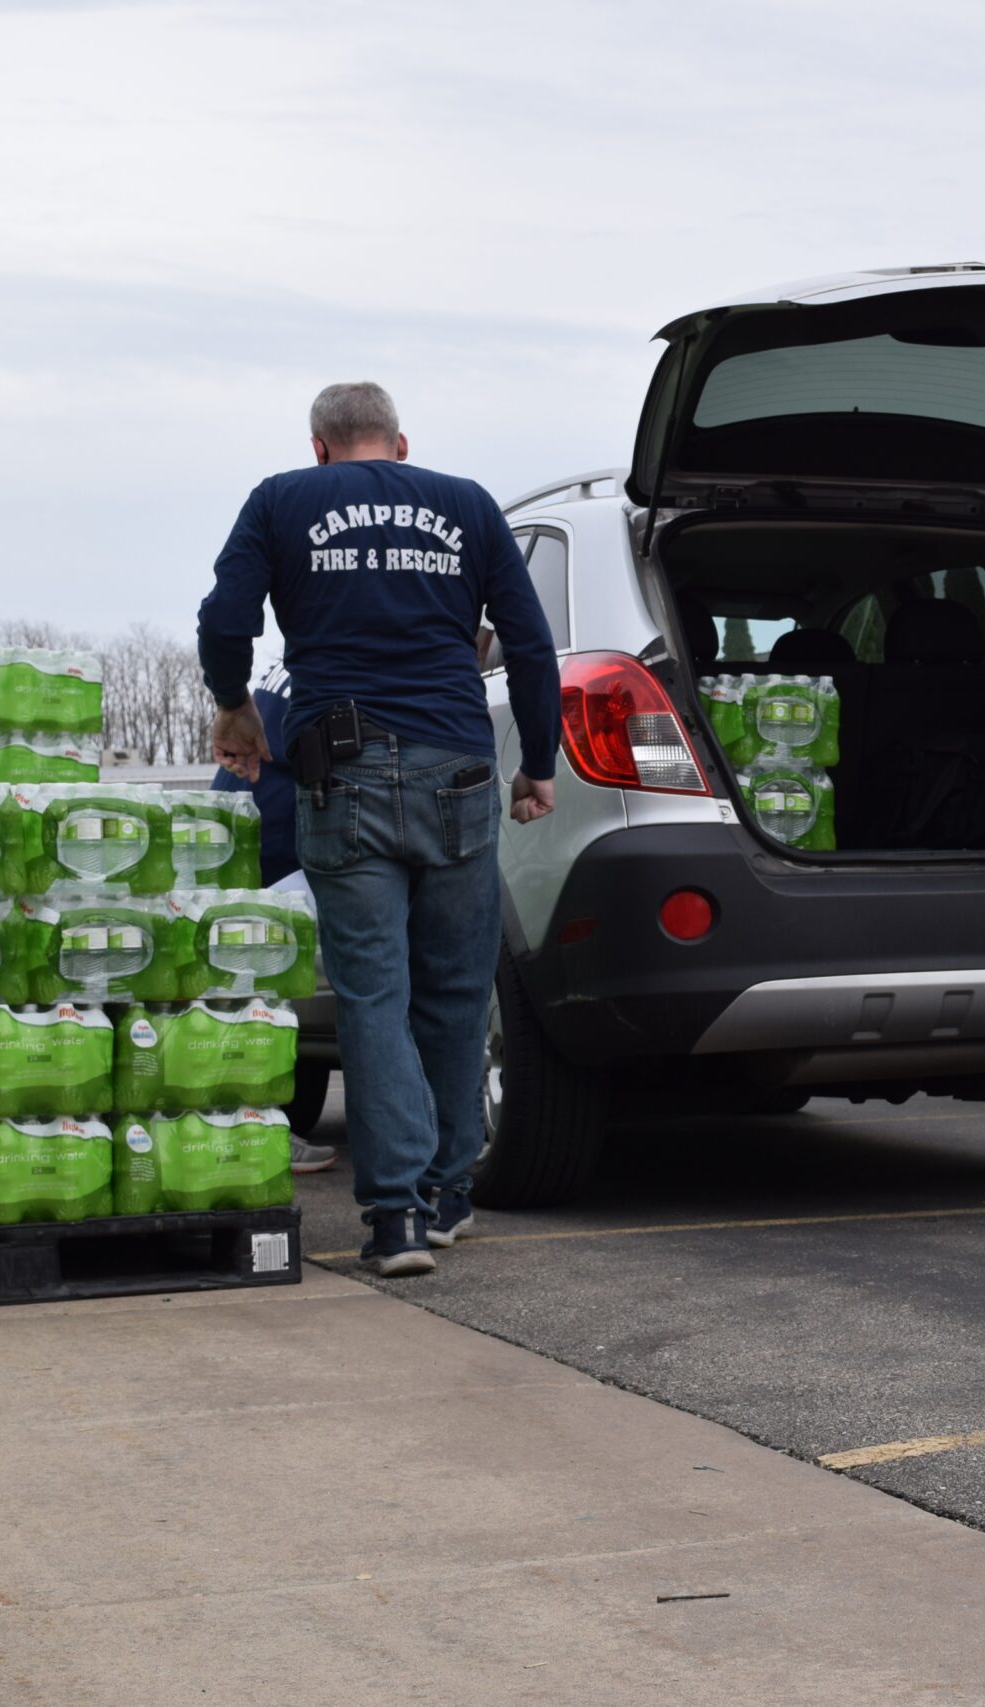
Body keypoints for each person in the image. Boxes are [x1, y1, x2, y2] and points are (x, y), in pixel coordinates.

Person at [198, 382, 561, 1278]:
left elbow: (223, 622)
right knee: (455, 989)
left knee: (373, 996)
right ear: (400, 444)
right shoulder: (468, 503)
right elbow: (527, 638)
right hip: (461, 770)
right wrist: (539, 764)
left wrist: (236, 708)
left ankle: (394, 1216)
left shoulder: (283, 498)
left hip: (343, 771)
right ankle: (449, 1195)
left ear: (320, 447)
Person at [204, 662, 337, 1175]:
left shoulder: (284, 664)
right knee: (257, 1008)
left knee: (237, 1003)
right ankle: (255, 1133)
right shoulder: (330, 667)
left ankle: (251, 1128)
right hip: (276, 863)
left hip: (233, 849)